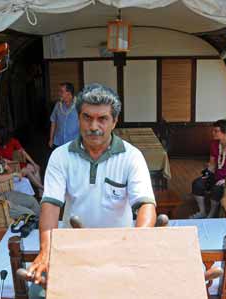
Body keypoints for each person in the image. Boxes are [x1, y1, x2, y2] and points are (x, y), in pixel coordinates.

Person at [26, 83, 156, 287]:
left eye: (102, 119)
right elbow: (50, 205)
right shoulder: (60, 156)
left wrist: (138, 244)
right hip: (72, 246)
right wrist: (46, 251)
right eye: (87, 117)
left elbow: (145, 205)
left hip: (120, 246)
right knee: (40, 292)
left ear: (114, 122)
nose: (94, 127)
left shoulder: (132, 157)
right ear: (78, 118)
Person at [190, 119, 226, 219]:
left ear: (225, 132)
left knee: (217, 189)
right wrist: (206, 175)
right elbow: (212, 164)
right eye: (213, 131)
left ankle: (211, 214)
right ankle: (202, 212)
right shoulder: (214, 144)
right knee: (197, 183)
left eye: (216, 131)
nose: (213, 133)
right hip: (217, 175)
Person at [0, 126, 44, 197]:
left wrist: (34, 163)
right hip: (2, 166)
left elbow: (23, 152)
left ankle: (40, 192)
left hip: (13, 163)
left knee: (35, 168)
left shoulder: (12, 141)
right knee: (27, 170)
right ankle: (42, 188)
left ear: (1, 136)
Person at [48, 82, 79, 148]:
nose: (59, 94)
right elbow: (53, 122)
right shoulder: (57, 105)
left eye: (61, 92)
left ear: (69, 93)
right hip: (59, 142)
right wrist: (51, 139)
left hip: (74, 143)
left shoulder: (79, 105)